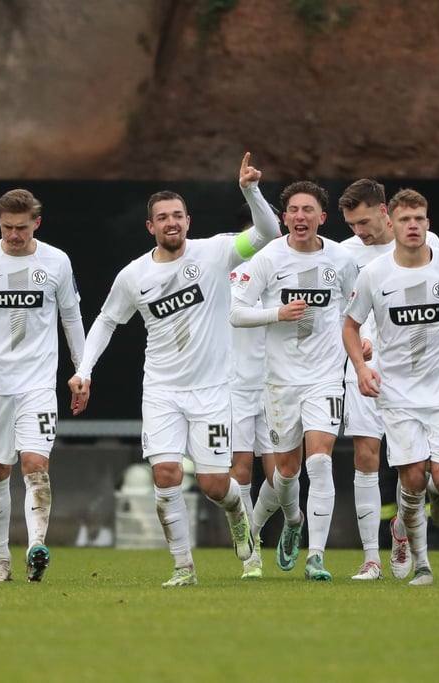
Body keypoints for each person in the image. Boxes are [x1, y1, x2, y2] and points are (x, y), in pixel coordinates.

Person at [67, 153, 279, 587]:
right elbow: (107, 320)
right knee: (165, 476)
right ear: (150, 227)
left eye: (178, 216)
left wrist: (250, 190)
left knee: (217, 485)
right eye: (162, 217)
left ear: (188, 220)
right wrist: (84, 369)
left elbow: (268, 232)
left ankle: (242, 522)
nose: (171, 223)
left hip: (213, 390)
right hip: (162, 389)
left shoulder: (217, 252)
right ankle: (184, 567)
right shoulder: (134, 276)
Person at [343, 188, 439, 586]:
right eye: (406, 220)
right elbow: (350, 325)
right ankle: (420, 561)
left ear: (428, 223)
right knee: (412, 479)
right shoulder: (374, 274)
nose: (413, 226)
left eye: (420, 219)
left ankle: (409, 519)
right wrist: (361, 368)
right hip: (396, 395)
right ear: (391, 224)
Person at [0, 188, 86, 583]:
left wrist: (82, 371)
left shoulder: (56, 261)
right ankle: (1, 558)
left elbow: (72, 319)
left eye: (21, 228)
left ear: (36, 223)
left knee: (35, 464)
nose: (14, 235)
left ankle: (36, 546)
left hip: (37, 384)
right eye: (7, 227)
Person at [230, 180, 360, 581]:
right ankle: (292, 520)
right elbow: (236, 311)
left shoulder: (341, 260)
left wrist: (363, 342)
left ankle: (316, 556)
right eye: (293, 211)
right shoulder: (268, 259)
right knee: (286, 472)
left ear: (322, 217)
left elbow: (357, 310)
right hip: (280, 381)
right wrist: (277, 314)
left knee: (320, 461)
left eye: (309, 211)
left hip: (324, 377)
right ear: (284, 217)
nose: (300, 217)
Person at [337, 178, 439, 580]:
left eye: (364, 222)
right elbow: (345, 313)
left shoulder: (429, 243)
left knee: (422, 467)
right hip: (365, 368)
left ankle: (403, 527)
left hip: (417, 374)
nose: (359, 232)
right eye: (351, 225)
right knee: (366, 456)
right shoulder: (345, 255)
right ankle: (370, 559)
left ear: (385, 212)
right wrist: (360, 350)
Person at [228, 202, 282, 580]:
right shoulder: (231, 268)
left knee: (283, 478)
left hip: (279, 382)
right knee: (240, 471)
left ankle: (256, 530)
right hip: (235, 384)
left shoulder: (291, 266)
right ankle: (251, 558)